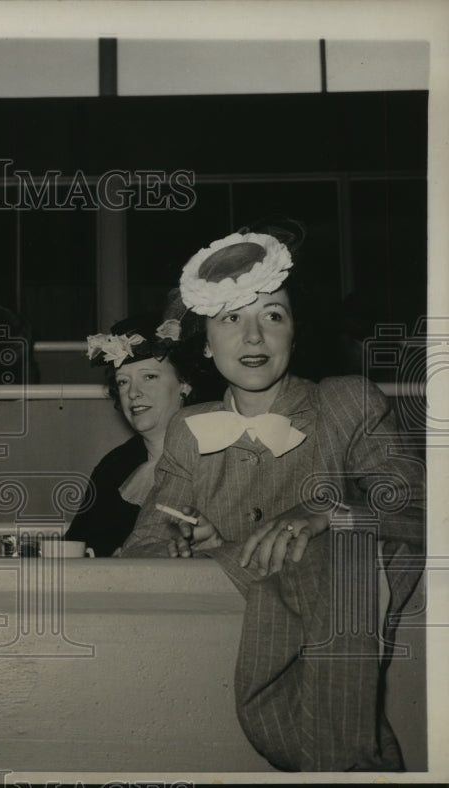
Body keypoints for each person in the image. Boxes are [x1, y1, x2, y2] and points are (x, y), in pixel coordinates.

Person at [121, 226, 425, 771]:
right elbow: (143, 543)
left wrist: (329, 511)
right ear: (207, 344)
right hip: (217, 663)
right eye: (231, 318)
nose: (254, 337)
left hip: (347, 627)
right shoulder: (189, 430)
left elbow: (421, 509)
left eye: (273, 316)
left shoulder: (348, 401)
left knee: (344, 555)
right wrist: (189, 542)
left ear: (294, 332)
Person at [65, 313, 198, 557]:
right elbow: (75, 546)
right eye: (124, 382)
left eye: (149, 377)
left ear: (184, 384)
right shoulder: (115, 465)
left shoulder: (212, 456)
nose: (134, 392)